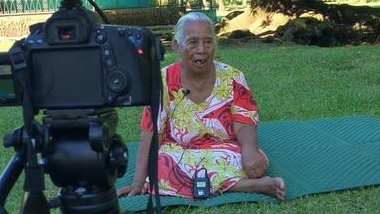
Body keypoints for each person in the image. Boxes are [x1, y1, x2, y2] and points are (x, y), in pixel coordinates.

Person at [117, 12, 286, 201]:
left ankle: (205, 182)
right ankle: (244, 185)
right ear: (176, 46)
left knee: (250, 159)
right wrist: (139, 182)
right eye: (193, 42)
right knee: (161, 164)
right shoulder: (161, 81)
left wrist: (249, 151)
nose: (202, 50)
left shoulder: (233, 77)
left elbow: (244, 120)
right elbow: (151, 133)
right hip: (178, 152)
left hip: (223, 150)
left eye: (208, 42)